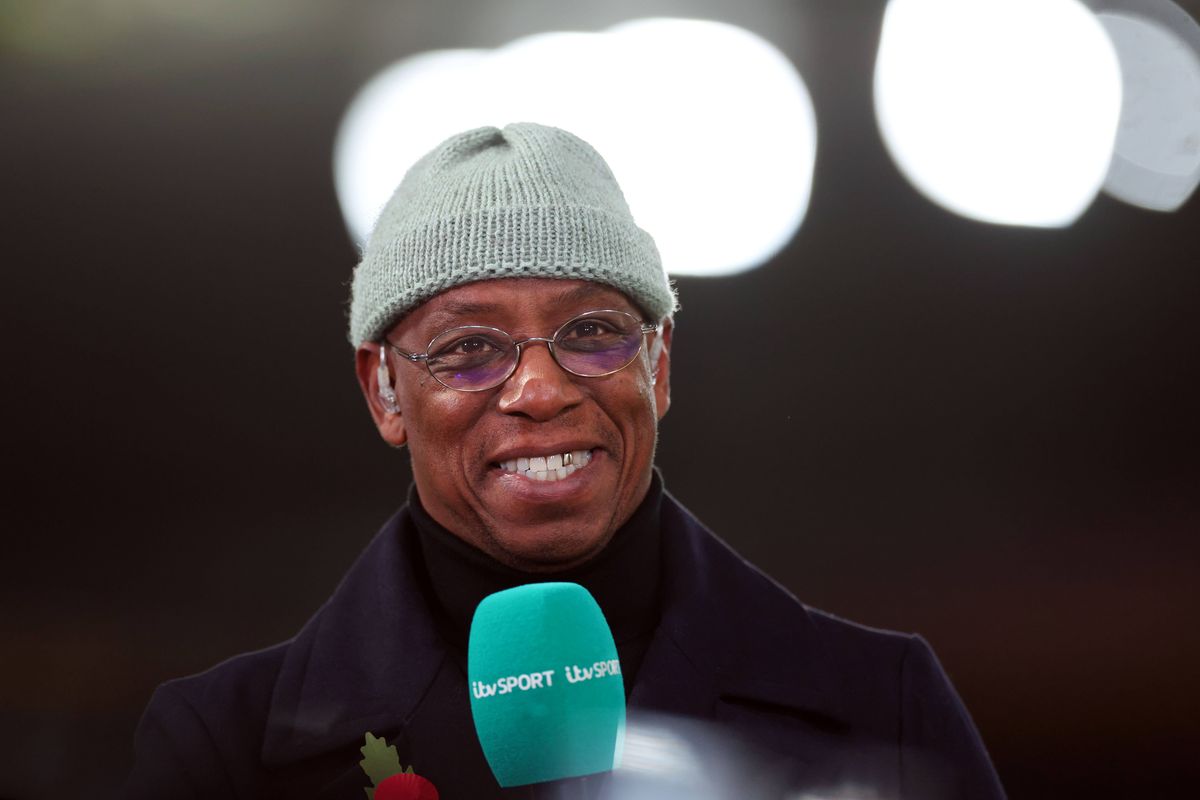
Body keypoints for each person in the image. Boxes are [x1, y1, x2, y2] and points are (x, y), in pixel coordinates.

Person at [122, 123, 1006, 799]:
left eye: (593, 333)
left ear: (657, 366)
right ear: (386, 392)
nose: (540, 391)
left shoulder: (882, 708)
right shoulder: (222, 749)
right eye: (469, 347)